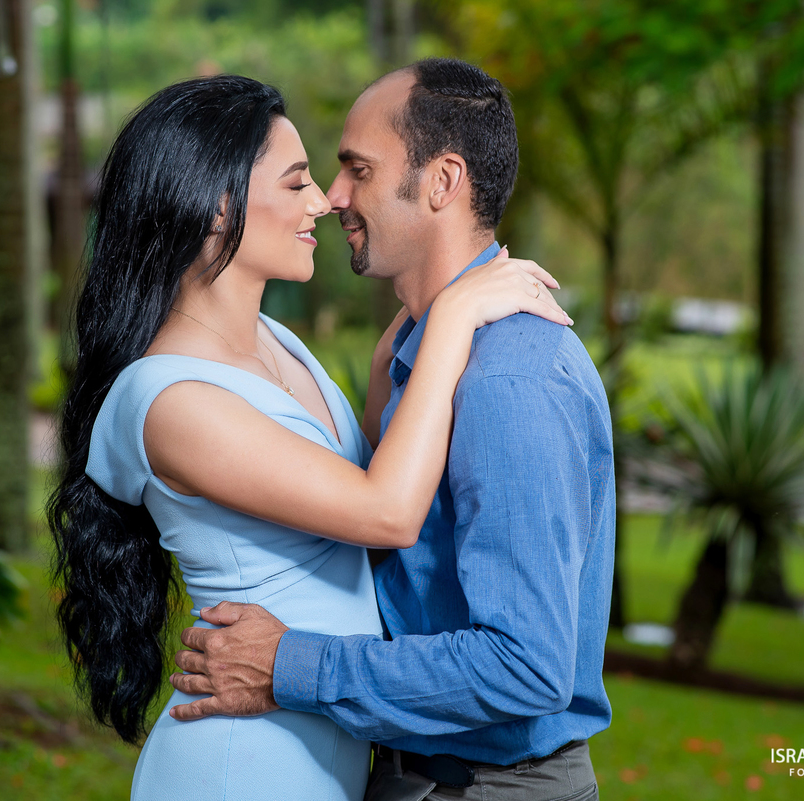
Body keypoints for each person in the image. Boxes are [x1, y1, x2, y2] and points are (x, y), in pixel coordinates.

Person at [46, 74, 570, 801]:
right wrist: (453, 317)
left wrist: (405, 344)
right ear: (217, 205)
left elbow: (339, 480)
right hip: (242, 763)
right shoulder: (171, 399)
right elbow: (384, 510)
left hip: (320, 748)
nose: (323, 201)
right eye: (296, 184)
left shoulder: (278, 343)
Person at [167, 59, 616, 801]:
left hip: (487, 786)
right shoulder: (424, 352)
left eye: (358, 170)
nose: (334, 196)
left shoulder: (505, 378)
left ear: (442, 182)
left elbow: (526, 665)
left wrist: (289, 664)